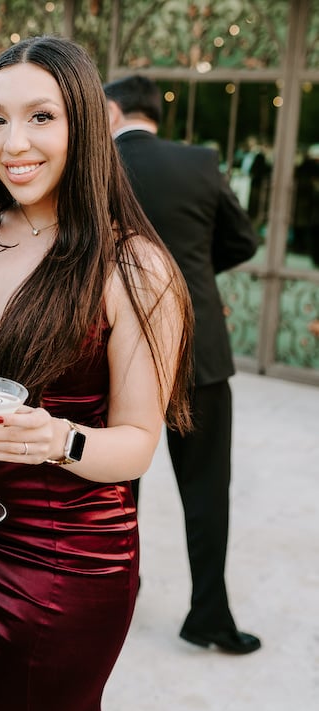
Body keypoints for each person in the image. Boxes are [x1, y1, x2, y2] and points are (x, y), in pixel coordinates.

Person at [0, 37, 194, 711]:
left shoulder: (133, 263)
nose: (13, 143)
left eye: (41, 117)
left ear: (85, 125)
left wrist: (60, 438)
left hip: (65, 558)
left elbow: (138, 439)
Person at [103, 74, 261, 654]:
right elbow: (242, 241)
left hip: (116, 347)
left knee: (117, 484)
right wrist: (189, 272)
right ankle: (209, 617)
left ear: (114, 111)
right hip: (199, 348)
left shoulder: (99, 166)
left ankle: (117, 597)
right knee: (206, 488)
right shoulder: (200, 162)